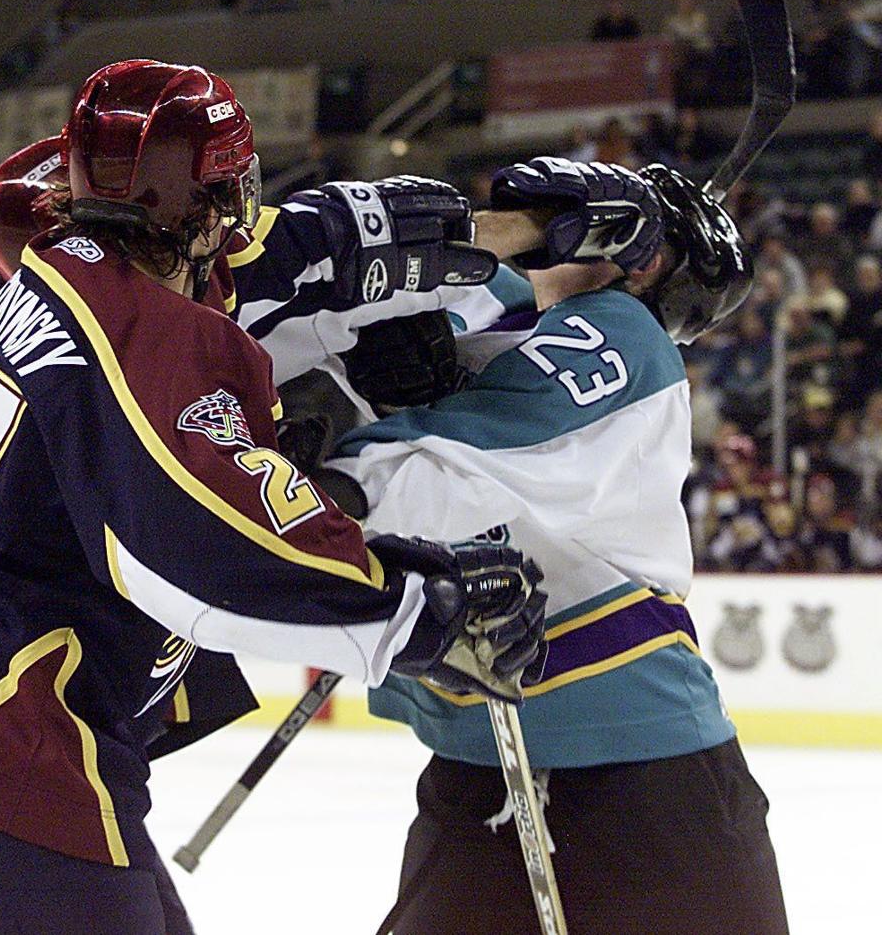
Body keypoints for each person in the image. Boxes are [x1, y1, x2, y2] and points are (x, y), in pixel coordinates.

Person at [0, 60, 548, 935]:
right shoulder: (139, 322)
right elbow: (190, 538)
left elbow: (295, 270)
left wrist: (522, 237)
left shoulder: (56, 281)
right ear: (206, 203)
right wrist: (411, 609)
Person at [314, 161, 788, 933]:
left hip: (638, 774)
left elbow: (463, 459)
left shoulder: (624, 335)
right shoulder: (499, 309)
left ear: (648, 260)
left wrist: (307, 492)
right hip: (489, 755)